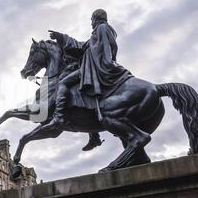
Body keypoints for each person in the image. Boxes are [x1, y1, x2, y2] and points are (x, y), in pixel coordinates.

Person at [43, 9, 133, 150]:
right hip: (92, 66)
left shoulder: (102, 28)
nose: (91, 22)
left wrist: (107, 63)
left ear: (96, 18)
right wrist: (61, 37)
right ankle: (94, 136)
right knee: (83, 95)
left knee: (64, 82)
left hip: (95, 67)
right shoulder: (97, 32)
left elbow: (106, 50)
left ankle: (59, 117)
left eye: (91, 19)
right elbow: (83, 46)